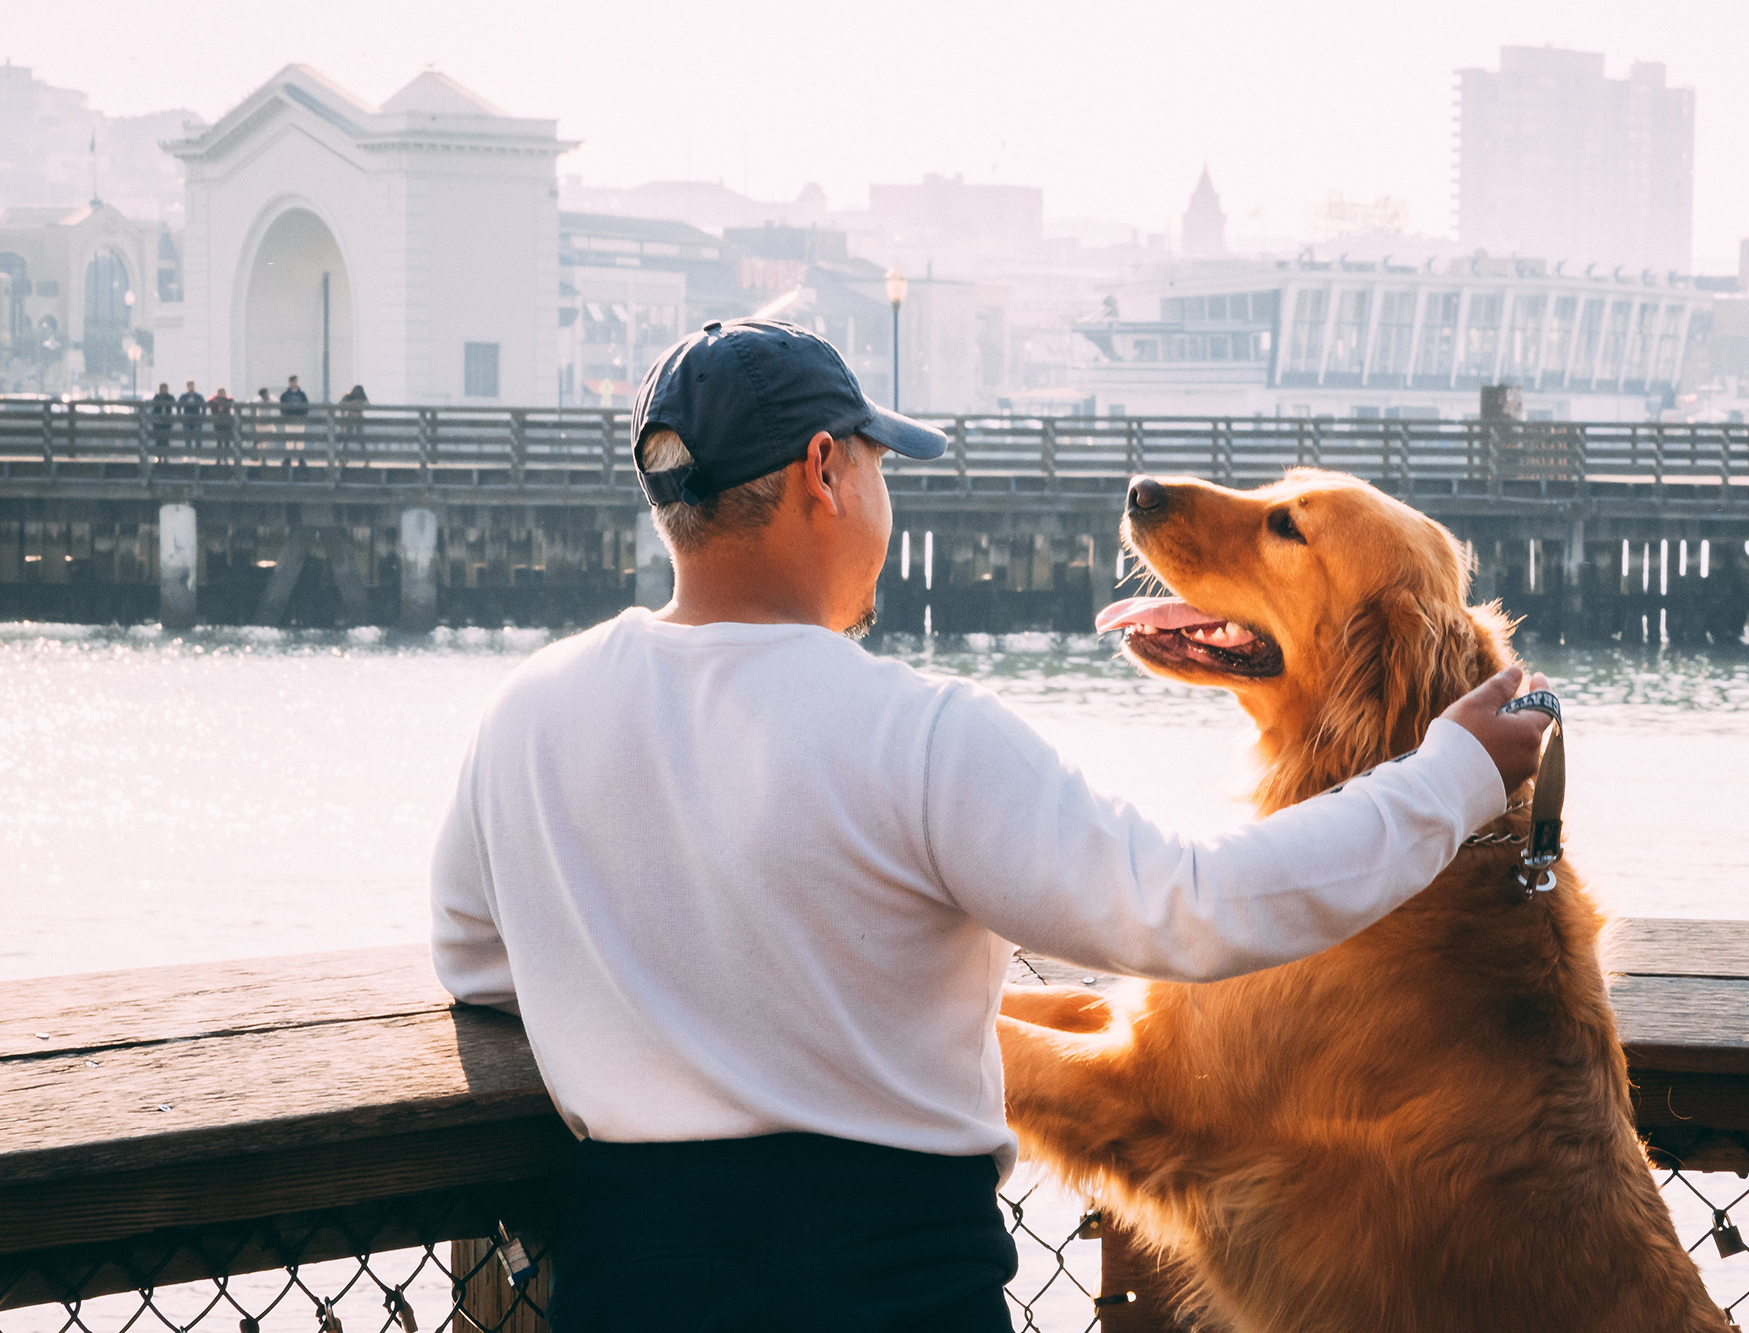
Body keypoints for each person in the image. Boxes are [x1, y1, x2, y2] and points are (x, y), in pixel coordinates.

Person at [429, 319, 1554, 1333]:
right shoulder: (916, 731)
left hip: (631, 1279)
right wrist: (1450, 776)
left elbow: (478, 968)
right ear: (826, 471)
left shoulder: (523, 714)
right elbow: (1188, 907)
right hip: (885, 1281)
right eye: (877, 463)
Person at [147, 382, 174, 461]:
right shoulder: (156, 397)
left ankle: (165, 456)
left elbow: (172, 404)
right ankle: (158, 456)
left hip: (167, 421)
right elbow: (154, 407)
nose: (163, 389)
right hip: (158, 421)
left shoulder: (170, 397)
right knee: (158, 439)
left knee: (166, 439)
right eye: (162, 388)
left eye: (165, 388)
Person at [177, 380, 205, 454]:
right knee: (187, 435)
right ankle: (188, 452)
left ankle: (198, 452)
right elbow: (179, 406)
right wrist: (179, 415)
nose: (191, 387)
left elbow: (204, 405)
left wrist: (203, 415)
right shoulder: (184, 396)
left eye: (192, 385)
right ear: (187, 387)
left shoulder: (198, 396)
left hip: (197, 418)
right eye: (189, 386)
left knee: (197, 433)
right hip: (187, 418)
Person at [208, 386, 235, 460]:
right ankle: (218, 458)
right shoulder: (213, 400)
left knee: (227, 441)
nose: (221, 393)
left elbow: (230, 404)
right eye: (220, 392)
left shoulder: (228, 400)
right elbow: (211, 404)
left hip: (227, 423)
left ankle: (225, 458)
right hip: (218, 422)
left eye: (223, 392)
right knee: (219, 441)